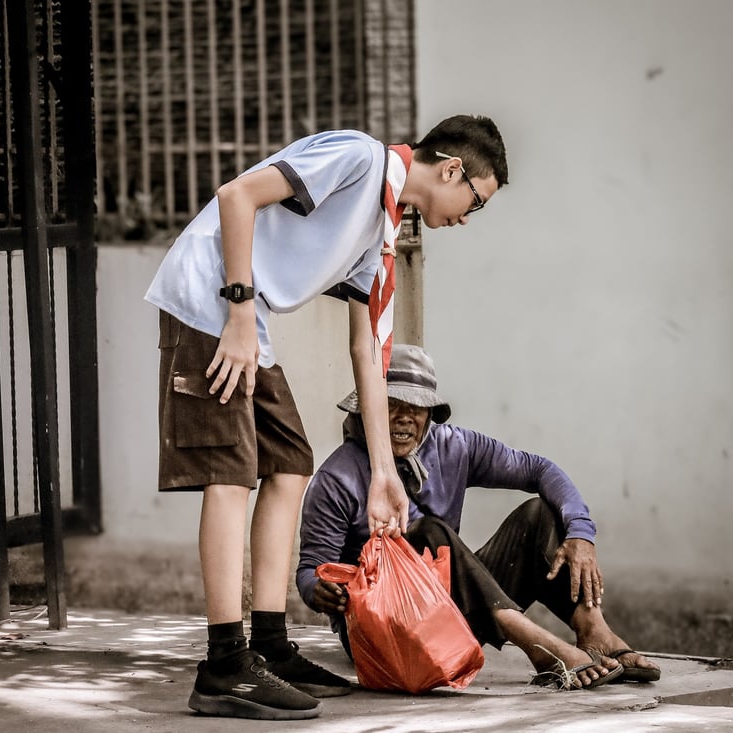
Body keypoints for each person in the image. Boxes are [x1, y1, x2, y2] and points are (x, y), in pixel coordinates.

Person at [144, 116, 509, 719]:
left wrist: (384, 473)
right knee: (230, 473)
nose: (468, 218)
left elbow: (367, 351)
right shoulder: (360, 159)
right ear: (451, 171)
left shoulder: (380, 228)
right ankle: (224, 664)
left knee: (290, 463)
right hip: (211, 303)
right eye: (476, 201)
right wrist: (239, 314)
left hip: (248, 318)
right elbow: (236, 197)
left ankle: (268, 645)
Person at [297, 344, 662, 692]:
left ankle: (593, 628)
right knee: (427, 532)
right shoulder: (337, 478)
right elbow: (310, 570)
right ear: (367, 410)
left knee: (539, 514)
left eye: (417, 407)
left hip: (455, 616)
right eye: (391, 405)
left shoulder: (453, 446)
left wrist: (581, 533)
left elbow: (540, 470)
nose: (404, 417)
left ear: (430, 414)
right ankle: (538, 646)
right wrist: (320, 590)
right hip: (388, 634)